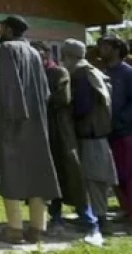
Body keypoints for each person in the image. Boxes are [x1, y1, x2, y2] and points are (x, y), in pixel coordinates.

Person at [0, 15, 60, 245]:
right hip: (37, 122)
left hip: (14, 121)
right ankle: (38, 228)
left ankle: (15, 229)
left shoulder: (7, 49)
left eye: (1, 28)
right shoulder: (34, 53)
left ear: (9, 30)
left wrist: (11, 119)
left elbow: (10, 87)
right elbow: (45, 92)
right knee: (37, 172)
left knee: (11, 172)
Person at [32, 41, 94, 239]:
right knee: (51, 177)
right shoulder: (33, 74)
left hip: (62, 132)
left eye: (39, 53)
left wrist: (40, 100)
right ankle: (56, 217)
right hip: (45, 133)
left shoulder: (59, 73)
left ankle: (89, 220)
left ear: (46, 54)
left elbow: (62, 99)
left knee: (73, 174)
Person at [97, 35, 132, 235]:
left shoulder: (129, 73)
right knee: (118, 176)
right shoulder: (104, 72)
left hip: (129, 133)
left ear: (116, 49)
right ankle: (128, 212)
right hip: (110, 134)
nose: (100, 49)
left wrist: (121, 120)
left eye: (104, 46)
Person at [60, 39, 115, 246]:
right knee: (95, 179)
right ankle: (97, 217)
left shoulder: (82, 74)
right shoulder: (92, 71)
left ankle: (100, 221)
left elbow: (82, 107)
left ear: (69, 56)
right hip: (96, 133)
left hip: (90, 134)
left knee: (93, 179)